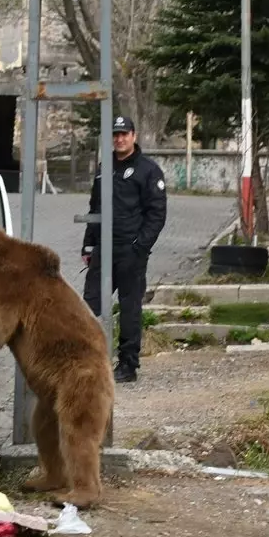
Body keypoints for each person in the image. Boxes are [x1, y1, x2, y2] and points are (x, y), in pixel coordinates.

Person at [81, 116, 167, 384]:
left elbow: (157, 214)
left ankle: (128, 365)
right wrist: (88, 243)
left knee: (129, 308)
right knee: (89, 305)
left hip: (130, 251)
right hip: (103, 250)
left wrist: (140, 246)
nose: (119, 139)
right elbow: (95, 208)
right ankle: (87, 360)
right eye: (115, 134)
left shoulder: (148, 171)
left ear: (134, 136)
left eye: (124, 134)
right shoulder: (104, 167)